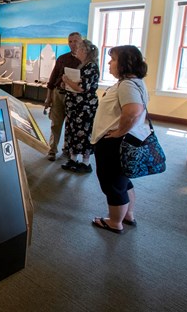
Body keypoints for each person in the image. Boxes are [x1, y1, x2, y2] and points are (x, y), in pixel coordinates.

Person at [90, 45, 149, 234]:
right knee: (122, 180)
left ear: (124, 63)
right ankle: (127, 214)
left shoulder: (126, 85)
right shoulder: (133, 82)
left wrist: (118, 132)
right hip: (124, 140)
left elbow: (133, 110)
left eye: (113, 59)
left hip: (114, 142)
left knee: (111, 182)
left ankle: (115, 221)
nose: (109, 62)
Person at [61, 39, 100, 173]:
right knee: (73, 132)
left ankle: (85, 162)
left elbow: (82, 88)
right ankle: (73, 159)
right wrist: (65, 84)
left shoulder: (91, 67)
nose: (76, 51)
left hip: (84, 108)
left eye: (78, 49)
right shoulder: (82, 65)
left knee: (83, 133)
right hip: (75, 107)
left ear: (84, 51)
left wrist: (67, 80)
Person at [44, 32, 82, 161]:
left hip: (76, 97)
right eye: (70, 41)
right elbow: (52, 78)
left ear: (81, 41)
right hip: (58, 94)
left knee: (71, 124)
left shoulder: (86, 61)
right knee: (56, 123)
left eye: (75, 41)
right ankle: (52, 150)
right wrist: (48, 98)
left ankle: (67, 148)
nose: (73, 44)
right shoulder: (62, 58)